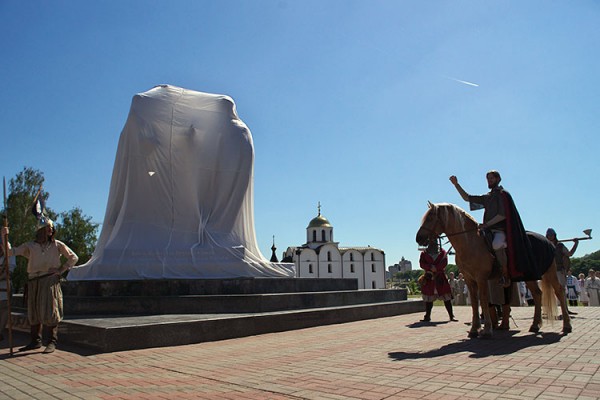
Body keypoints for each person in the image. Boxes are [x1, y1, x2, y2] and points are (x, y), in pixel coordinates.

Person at [1, 217, 78, 353]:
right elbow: (10, 252)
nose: (50, 230)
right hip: (33, 280)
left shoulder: (57, 245)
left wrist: (60, 270)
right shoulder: (30, 246)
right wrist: (4, 236)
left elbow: (73, 257)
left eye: (51, 227)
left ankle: (51, 341)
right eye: (48, 227)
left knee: (50, 310)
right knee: (34, 311)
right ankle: (35, 341)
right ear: (40, 229)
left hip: (49, 280)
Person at [450, 171, 533, 288]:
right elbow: (467, 198)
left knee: (497, 244)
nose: (489, 180)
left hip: (500, 229)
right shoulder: (488, 197)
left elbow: (502, 215)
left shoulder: (502, 194)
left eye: (491, 178)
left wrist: (487, 224)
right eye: (488, 178)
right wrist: (456, 185)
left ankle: (505, 274)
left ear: (498, 179)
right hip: (487, 230)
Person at [418, 237, 457, 322]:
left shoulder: (442, 252)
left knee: (446, 298)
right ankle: (427, 316)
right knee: (429, 299)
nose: (433, 243)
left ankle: (451, 316)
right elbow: (422, 263)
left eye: (435, 241)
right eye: (432, 241)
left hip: (440, 277)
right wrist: (430, 267)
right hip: (429, 277)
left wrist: (437, 268)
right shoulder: (424, 253)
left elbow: (444, 263)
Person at [545, 228, 578, 312]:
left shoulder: (560, 246)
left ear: (554, 236)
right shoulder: (545, 245)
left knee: (561, 290)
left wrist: (576, 244)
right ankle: (548, 310)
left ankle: (565, 309)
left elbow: (569, 254)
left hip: (559, 270)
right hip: (548, 271)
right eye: (549, 235)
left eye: (551, 235)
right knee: (548, 290)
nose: (550, 237)